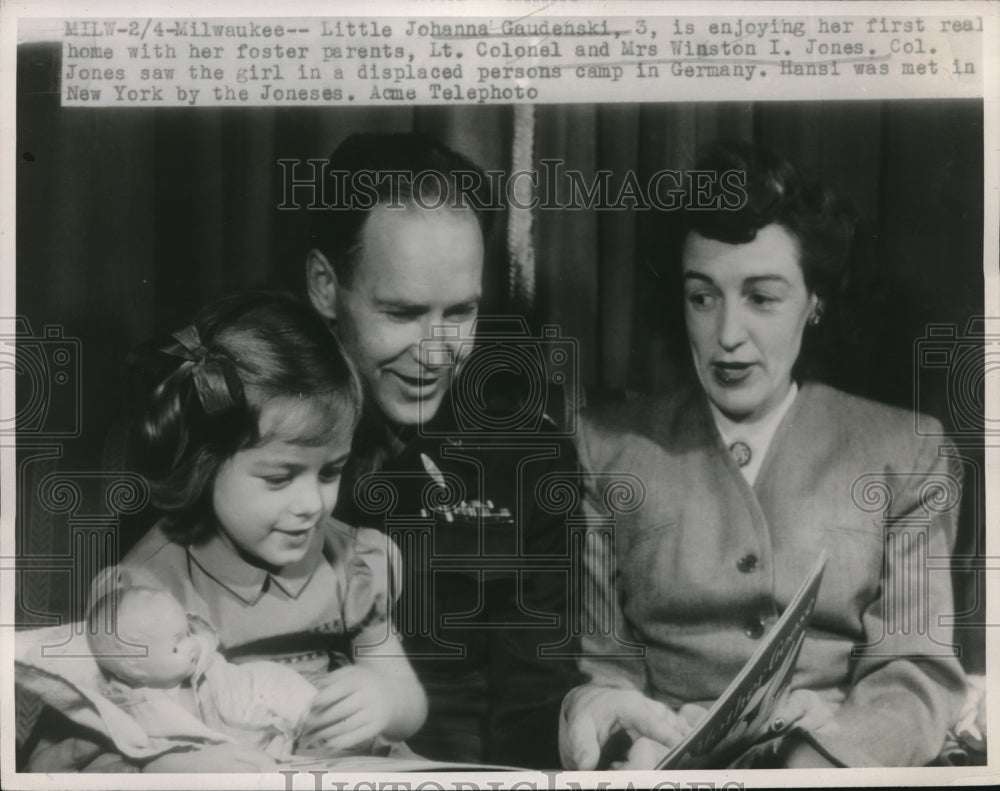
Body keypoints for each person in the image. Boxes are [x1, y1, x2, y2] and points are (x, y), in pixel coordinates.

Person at [560, 142, 967, 769]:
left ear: (815, 302)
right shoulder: (607, 447)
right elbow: (605, 672)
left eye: (762, 297)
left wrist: (823, 758)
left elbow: (916, 675)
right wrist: (622, 725)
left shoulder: (905, 450)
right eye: (703, 296)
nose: (727, 334)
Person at [23, 291, 426, 771]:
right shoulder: (152, 590)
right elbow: (97, 734)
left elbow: (408, 702)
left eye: (329, 472)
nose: (312, 505)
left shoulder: (350, 560)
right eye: (279, 478)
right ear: (206, 464)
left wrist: (386, 699)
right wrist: (168, 767)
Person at [306, 133, 582, 768]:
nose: (436, 352)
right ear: (325, 285)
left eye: (459, 313)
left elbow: (531, 705)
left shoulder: (528, 457)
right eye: (401, 313)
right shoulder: (249, 431)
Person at [87, 587, 317, 759]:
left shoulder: (199, 663)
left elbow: (228, 679)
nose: (191, 645)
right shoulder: (143, 707)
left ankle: (313, 717)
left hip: (243, 699)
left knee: (272, 681)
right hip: (224, 755)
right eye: (176, 646)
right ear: (134, 669)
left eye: (187, 633)